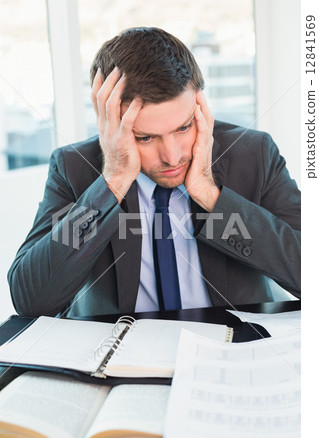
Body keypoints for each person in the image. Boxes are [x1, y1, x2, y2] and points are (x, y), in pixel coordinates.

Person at [8, 27, 300, 318]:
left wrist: (210, 194)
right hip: (118, 355)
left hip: (232, 350)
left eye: (183, 127)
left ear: (200, 103)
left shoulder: (253, 153)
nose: (172, 156)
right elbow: (31, 301)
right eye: (145, 137)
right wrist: (112, 182)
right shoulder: (73, 167)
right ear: (109, 122)